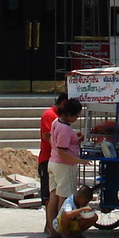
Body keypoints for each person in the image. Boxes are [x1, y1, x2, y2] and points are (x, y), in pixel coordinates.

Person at [45, 98, 84, 238]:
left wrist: (76, 139)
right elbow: (62, 151)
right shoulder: (65, 128)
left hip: (53, 162)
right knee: (65, 199)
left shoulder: (57, 122)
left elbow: (55, 142)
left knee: (53, 196)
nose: (77, 118)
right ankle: (63, 230)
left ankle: (53, 230)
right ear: (70, 114)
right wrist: (80, 161)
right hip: (64, 165)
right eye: (77, 115)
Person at [37, 92, 68, 229]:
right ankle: (50, 225)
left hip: (55, 159)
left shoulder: (58, 117)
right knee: (49, 196)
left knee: (54, 193)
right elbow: (46, 135)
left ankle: (51, 224)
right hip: (47, 159)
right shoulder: (49, 115)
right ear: (63, 103)